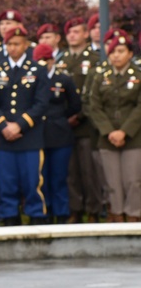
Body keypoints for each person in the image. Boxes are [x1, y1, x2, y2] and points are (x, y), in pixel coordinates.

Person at [0, 26, 49, 226]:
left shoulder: (37, 69)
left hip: (28, 137)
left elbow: (41, 103)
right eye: (9, 44)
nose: (13, 48)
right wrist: (4, 125)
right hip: (4, 138)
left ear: (26, 45)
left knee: (32, 182)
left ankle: (36, 217)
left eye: (17, 44)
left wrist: (19, 125)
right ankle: (10, 218)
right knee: (6, 182)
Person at [86, 34, 141, 222]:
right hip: (107, 137)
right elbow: (94, 105)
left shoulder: (138, 76)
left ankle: (134, 215)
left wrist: (124, 131)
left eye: (121, 51)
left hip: (134, 137)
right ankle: (116, 214)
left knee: (133, 180)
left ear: (130, 53)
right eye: (112, 52)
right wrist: (110, 131)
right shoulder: (100, 75)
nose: (116, 56)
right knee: (112, 181)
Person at [57, 17, 105, 222]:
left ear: (86, 34)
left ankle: (93, 210)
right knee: (71, 170)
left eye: (77, 32)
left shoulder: (94, 59)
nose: (72, 36)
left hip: (86, 125)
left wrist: (80, 115)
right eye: (69, 32)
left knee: (89, 170)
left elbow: (93, 93)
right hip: (65, 125)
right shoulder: (62, 60)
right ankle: (75, 208)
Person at [36, 43, 81, 224]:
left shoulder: (64, 79)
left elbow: (75, 105)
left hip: (60, 134)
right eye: (38, 61)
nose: (42, 64)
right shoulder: (32, 80)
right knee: (42, 177)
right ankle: (45, 212)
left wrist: (62, 118)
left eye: (45, 60)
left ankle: (61, 212)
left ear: (52, 60)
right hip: (39, 135)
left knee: (59, 177)